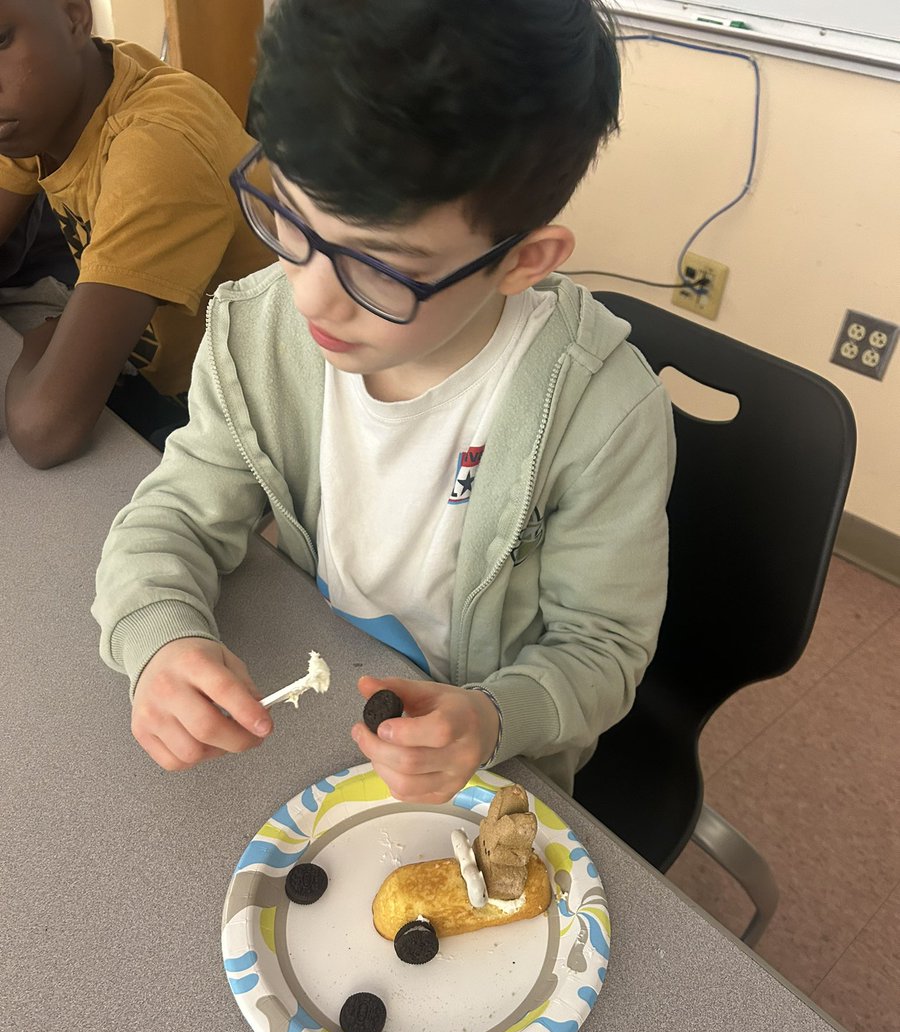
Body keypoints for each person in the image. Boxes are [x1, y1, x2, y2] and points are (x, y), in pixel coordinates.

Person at [93, 0, 676, 805]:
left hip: (482, 764)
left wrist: (492, 719)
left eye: (381, 272)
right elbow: (173, 517)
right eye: (291, 218)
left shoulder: (599, 413)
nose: (312, 299)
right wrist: (161, 640)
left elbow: (601, 649)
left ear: (522, 262)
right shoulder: (257, 332)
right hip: (318, 694)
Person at [0, 0, 272, 468]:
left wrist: (41, 341)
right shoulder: (46, 104)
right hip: (170, 374)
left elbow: (44, 429)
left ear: (74, 16)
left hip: (256, 412)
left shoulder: (158, 144)